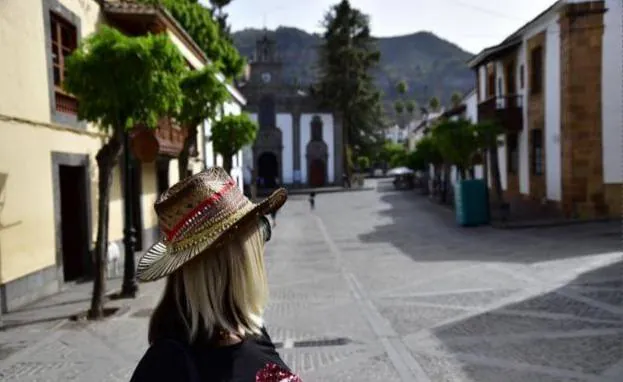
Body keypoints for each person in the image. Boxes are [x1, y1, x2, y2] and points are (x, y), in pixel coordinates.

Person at [130, 167, 300, 382]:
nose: (262, 246)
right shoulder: (167, 367)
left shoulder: (250, 328)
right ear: (234, 261)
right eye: (259, 232)